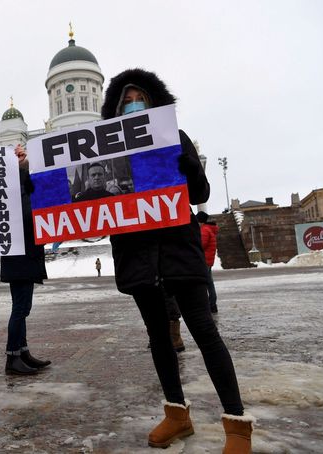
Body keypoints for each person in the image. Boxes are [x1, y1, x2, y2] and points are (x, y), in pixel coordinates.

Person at [101, 68, 254, 453]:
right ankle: (176, 414)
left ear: (154, 103)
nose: (133, 104)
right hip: (136, 252)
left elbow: (200, 192)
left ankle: (236, 424)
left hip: (175, 247)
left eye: (140, 98)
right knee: (158, 337)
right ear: (116, 108)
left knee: (204, 330)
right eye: (126, 100)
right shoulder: (109, 148)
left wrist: (192, 169)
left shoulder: (176, 138)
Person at [1, 144, 50, 376]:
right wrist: (22, 171)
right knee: (20, 307)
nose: (22, 158)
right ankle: (12, 357)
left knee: (24, 306)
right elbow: (25, 212)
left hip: (27, 251)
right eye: (16, 155)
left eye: (23, 154)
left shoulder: (25, 181)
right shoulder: (12, 185)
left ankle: (22, 351)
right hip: (18, 253)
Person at [197, 211, 219, 313]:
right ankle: (212, 305)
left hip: (204, 260)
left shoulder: (204, 230)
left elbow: (201, 245)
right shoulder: (210, 229)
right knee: (209, 283)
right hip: (208, 260)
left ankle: (209, 305)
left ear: (200, 221)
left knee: (204, 284)